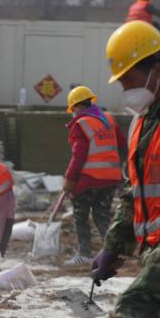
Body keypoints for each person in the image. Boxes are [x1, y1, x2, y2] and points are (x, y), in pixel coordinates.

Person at [94, 20, 160, 318]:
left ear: (157, 70)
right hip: (156, 250)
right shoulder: (140, 123)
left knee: (135, 310)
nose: (126, 89)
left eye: (131, 79)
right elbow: (133, 193)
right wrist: (113, 247)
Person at [62, 86, 126, 266]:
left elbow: (79, 156)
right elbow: (122, 144)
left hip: (88, 179)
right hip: (110, 178)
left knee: (80, 215)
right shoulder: (109, 119)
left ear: (75, 107)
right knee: (102, 215)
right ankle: (113, 253)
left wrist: (69, 179)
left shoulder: (80, 124)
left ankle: (84, 253)